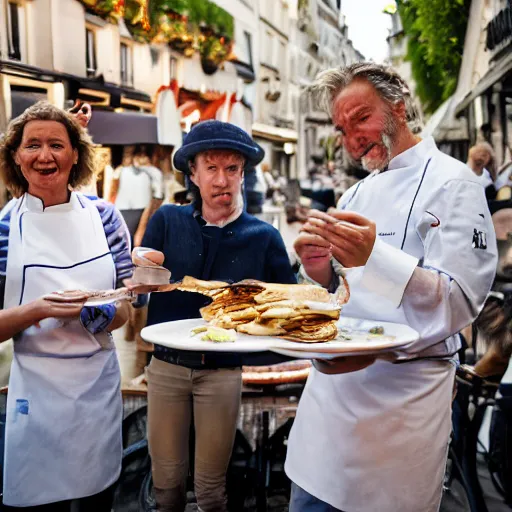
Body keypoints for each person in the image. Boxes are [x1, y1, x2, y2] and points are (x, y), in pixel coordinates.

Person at [285, 62, 497, 511]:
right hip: (327, 412)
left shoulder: (454, 182)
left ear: (398, 108)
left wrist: (373, 258)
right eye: (342, 129)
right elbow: (339, 297)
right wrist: (319, 270)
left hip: (401, 411)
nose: (352, 138)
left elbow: (460, 302)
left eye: (361, 118)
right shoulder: (355, 196)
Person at [140, 120, 296, 511]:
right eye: (211, 168)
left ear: (243, 174)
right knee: (167, 484)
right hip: (166, 367)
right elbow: (141, 288)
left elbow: (289, 304)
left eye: (232, 169)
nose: (222, 179)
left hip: (222, 371)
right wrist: (139, 279)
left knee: (211, 489)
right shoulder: (167, 221)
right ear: (193, 173)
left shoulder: (263, 236)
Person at [0, 101, 132, 510]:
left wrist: (90, 311)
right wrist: (39, 310)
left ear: (75, 155)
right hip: (35, 394)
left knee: (96, 500)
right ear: (15, 157)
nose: (44, 156)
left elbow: (126, 310)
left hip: (96, 390)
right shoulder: (5, 228)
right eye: (32, 145)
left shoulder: (105, 218)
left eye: (57, 144)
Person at [111, 144, 164, 247]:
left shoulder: (153, 172)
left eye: (144, 155)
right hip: (123, 209)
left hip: (143, 209)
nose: (141, 158)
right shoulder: (122, 170)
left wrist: (149, 211)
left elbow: (158, 196)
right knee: (126, 243)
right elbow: (114, 190)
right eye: (138, 154)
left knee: (137, 243)